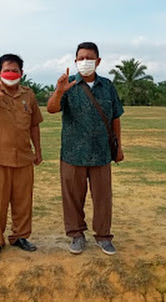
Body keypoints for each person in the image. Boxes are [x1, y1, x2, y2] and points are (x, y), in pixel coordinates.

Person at [47, 42, 124, 255]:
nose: (84, 62)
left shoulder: (107, 86)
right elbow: (51, 108)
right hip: (73, 153)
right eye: (80, 58)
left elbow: (115, 117)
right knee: (72, 197)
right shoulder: (68, 84)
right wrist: (59, 91)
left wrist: (118, 147)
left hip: (101, 153)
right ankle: (76, 235)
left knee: (102, 198)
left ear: (98, 61)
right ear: (75, 61)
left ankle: (103, 236)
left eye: (89, 58)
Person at [0, 54, 43, 254]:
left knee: (23, 201)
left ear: (21, 73)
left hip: (24, 157)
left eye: (15, 70)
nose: (11, 73)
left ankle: (20, 236)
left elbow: (34, 125)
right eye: (7, 70)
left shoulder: (29, 95)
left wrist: (38, 150)